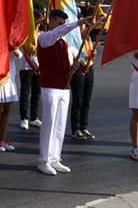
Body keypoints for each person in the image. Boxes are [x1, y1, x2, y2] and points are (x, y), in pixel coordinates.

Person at [36, 10, 95, 176]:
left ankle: (55, 157)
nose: (62, 27)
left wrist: (73, 68)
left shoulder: (65, 45)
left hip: (64, 88)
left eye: (64, 24)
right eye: (59, 23)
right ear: (51, 23)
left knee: (60, 125)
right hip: (50, 88)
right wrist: (78, 22)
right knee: (49, 124)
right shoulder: (44, 38)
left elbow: (68, 67)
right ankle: (44, 160)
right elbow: (58, 32)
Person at [69, 19, 97, 140]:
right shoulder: (76, 38)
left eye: (84, 26)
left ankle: (83, 127)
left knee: (86, 100)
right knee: (78, 101)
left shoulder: (89, 39)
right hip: (78, 70)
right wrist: (97, 23)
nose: (82, 29)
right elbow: (82, 34)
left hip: (89, 68)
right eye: (80, 27)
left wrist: (93, 54)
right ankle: (75, 129)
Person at [0, 50, 21, 152]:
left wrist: (14, 48)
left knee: (6, 110)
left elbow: (19, 55)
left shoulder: (11, 42)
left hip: (9, 79)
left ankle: (2, 140)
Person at [18, 11, 42, 130]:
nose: (38, 22)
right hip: (26, 68)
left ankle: (34, 117)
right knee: (25, 94)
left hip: (38, 68)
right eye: (36, 20)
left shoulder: (42, 34)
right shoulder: (26, 35)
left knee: (36, 94)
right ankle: (24, 118)